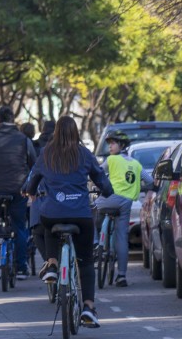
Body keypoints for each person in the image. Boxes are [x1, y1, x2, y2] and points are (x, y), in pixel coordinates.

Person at [24, 116, 114, 327]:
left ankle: (53, 264)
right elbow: (102, 180)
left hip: (53, 213)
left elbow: (32, 182)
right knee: (86, 262)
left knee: (48, 224)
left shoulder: (46, 153)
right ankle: (89, 307)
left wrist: (30, 191)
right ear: (76, 133)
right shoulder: (84, 154)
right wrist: (107, 191)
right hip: (81, 216)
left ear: (55, 133)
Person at [0, 106, 37, 278]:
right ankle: (21, 267)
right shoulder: (23, 139)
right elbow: (33, 163)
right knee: (19, 226)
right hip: (17, 188)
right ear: (13, 119)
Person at [93, 131, 142, 287]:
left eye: (113, 143)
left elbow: (97, 173)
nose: (110, 146)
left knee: (90, 211)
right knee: (122, 238)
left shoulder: (111, 160)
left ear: (122, 145)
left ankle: (96, 242)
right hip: (126, 204)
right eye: (109, 143)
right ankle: (121, 276)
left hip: (108, 199)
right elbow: (149, 181)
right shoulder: (136, 164)